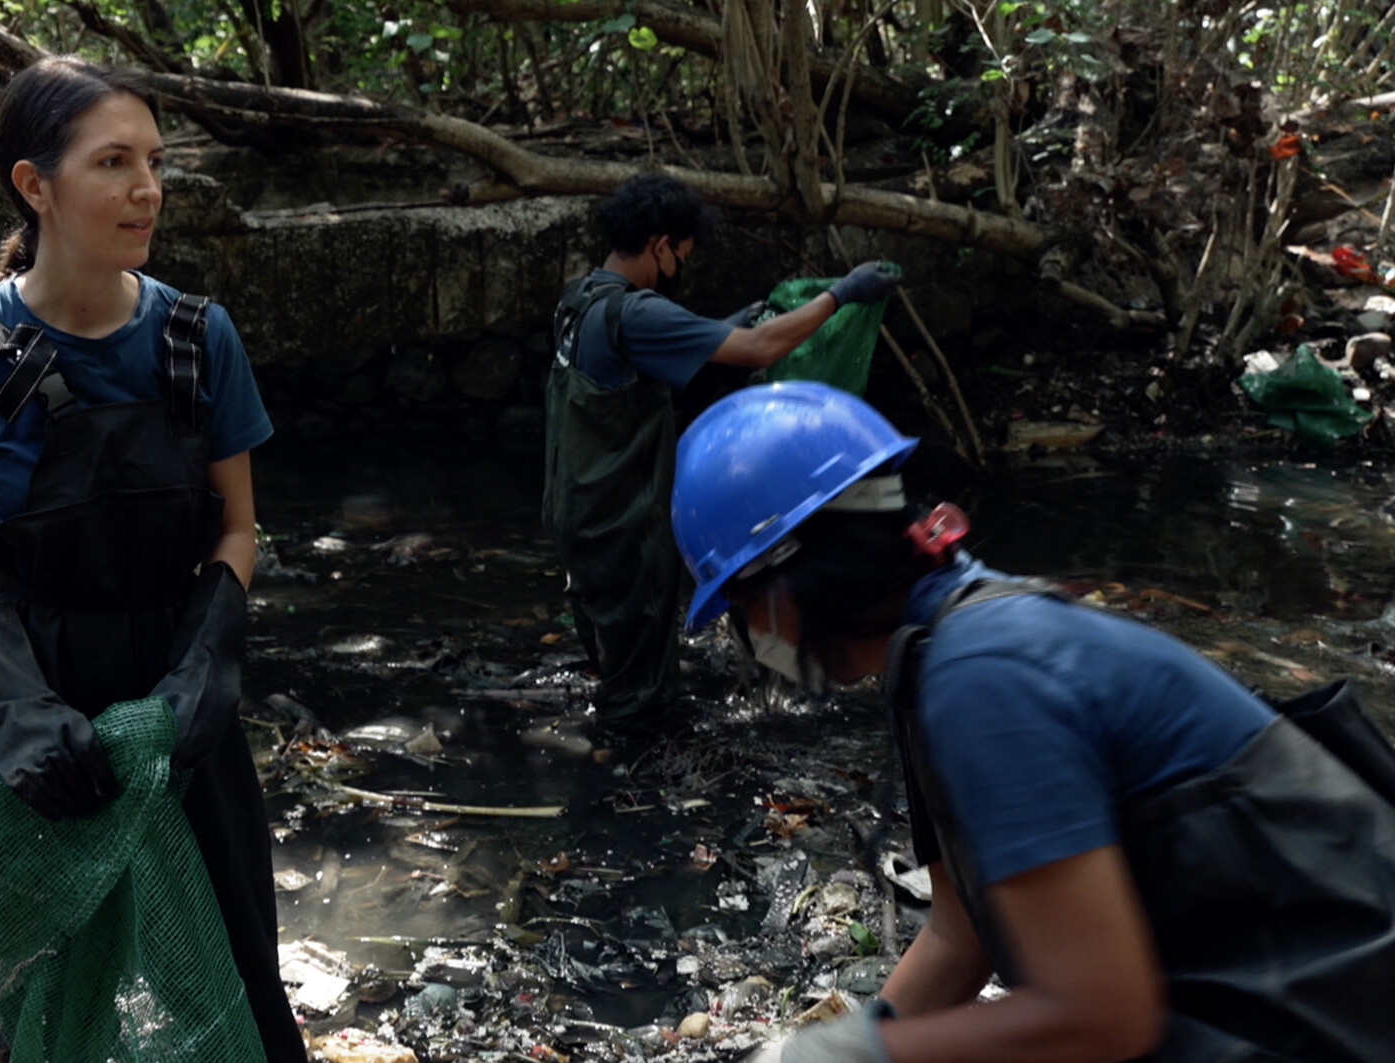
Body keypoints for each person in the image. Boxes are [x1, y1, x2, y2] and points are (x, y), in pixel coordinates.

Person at [668, 381, 1395, 1063]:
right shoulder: (934, 655)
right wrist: (847, 1037)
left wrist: (858, 1056)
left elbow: (1102, 1015)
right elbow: (960, 935)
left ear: (790, 575)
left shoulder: (986, 673)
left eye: (742, 605)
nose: (748, 633)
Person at [0, 57, 306, 1062]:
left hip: (177, 702)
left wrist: (205, 668)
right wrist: (17, 711)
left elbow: (237, 529)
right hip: (28, 715)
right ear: (35, 185)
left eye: (155, 162)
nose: (147, 188)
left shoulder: (198, 339)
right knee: (44, 1003)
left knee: (237, 976)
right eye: (114, 162)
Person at [544, 173, 901, 723]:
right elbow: (760, 349)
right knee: (639, 691)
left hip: (575, 515)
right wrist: (841, 294)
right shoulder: (637, 313)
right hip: (622, 528)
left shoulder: (581, 299)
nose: (680, 269)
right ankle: (628, 762)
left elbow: (642, 361)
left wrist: (716, 332)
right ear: (659, 245)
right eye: (681, 257)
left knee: (614, 653)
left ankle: (610, 743)